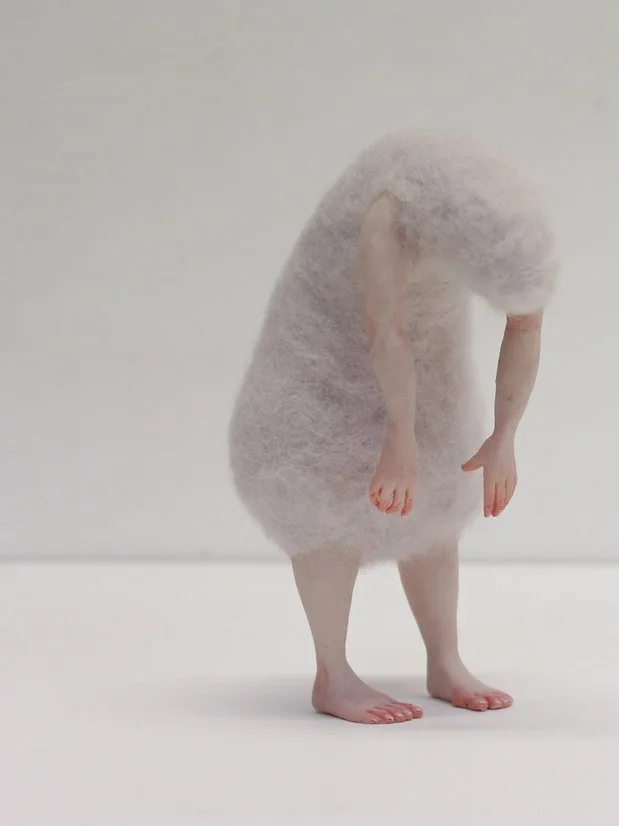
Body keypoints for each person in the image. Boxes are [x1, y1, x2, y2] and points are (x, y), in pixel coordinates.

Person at [227, 130, 559, 724]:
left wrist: (503, 436)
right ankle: (333, 675)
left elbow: (526, 329)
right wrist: (397, 439)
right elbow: (385, 331)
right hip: (320, 376)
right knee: (322, 508)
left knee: (437, 508)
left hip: (426, 371)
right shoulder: (396, 208)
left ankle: (445, 659)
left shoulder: (514, 227)